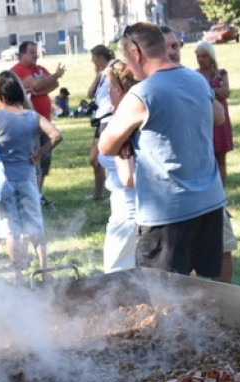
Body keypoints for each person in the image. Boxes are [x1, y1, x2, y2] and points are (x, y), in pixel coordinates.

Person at [98, 22, 225, 278]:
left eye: (125, 54)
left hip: (168, 213)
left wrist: (126, 136)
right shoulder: (196, 80)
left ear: (135, 52)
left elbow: (106, 145)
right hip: (210, 204)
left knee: (162, 300)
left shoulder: (142, 94)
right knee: (205, 293)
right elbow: (218, 117)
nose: (126, 63)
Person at [0, 70, 63, 279]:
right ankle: (44, 270)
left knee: (11, 229)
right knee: (35, 223)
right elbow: (56, 136)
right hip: (27, 178)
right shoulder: (32, 116)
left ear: (1, 96)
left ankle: (18, 274)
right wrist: (38, 153)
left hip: (4, 182)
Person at [9, 41, 66, 205]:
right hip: (29, 124)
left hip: (45, 123)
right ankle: (28, 197)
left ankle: (38, 196)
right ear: (22, 54)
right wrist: (51, 78)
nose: (36, 55)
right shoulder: (17, 70)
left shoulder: (39, 69)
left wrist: (40, 88)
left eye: (37, 52)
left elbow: (53, 85)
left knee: (45, 159)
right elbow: (37, 83)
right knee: (32, 160)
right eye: (32, 52)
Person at [97, 60, 137, 273]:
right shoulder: (129, 113)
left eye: (108, 87)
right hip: (132, 210)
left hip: (128, 214)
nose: (106, 92)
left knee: (116, 280)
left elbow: (128, 178)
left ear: (118, 89)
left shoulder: (124, 120)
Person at [194, 41, 233, 187]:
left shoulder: (221, 73)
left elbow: (225, 92)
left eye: (204, 56)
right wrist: (215, 91)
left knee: (221, 158)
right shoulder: (194, 75)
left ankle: (222, 188)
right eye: (198, 56)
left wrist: (208, 91)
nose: (201, 59)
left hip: (221, 120)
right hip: (203, 119)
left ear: (211, 57)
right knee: (206, 157)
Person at [87, 45, 115, 201]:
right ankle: (98, 193)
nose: (92, 60)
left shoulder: (114, 68)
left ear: (99, 56)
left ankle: (102, 193)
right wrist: (97, 77)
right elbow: (90, 94)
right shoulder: (101, 74)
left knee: (98, 158)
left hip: (109, 118)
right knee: (95, 159)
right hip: (100, 119)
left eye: (93, 57)